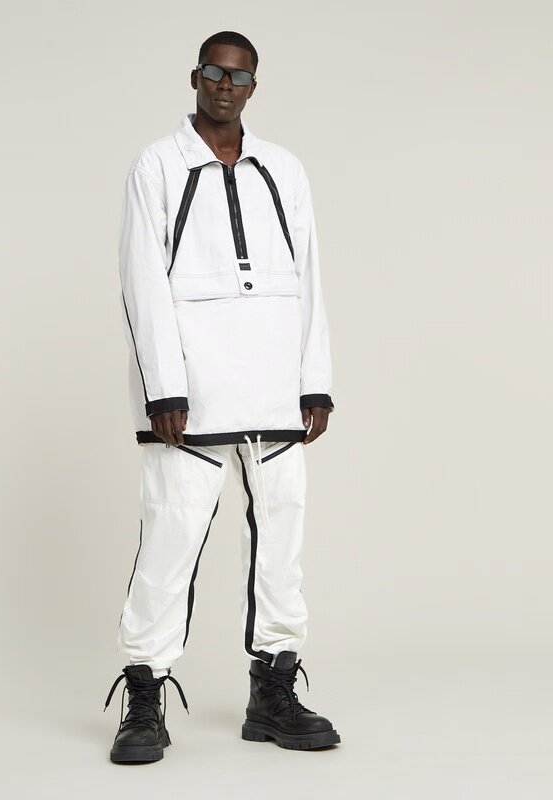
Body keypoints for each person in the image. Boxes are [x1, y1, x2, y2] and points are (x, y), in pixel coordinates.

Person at [104, 30, 340, 763]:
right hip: (191, 392)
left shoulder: (284, 168)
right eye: (214, 72)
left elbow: (308, 276)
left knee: (282, 537)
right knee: (171, 534)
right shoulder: (157, 165)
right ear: (196, 77)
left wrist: (314, 380)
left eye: (238, 76)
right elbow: (142, 278)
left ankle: (273, 691)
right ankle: (145, 694)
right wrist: (163, 387)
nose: (225, 85)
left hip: (274, 384)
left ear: (253, 86)